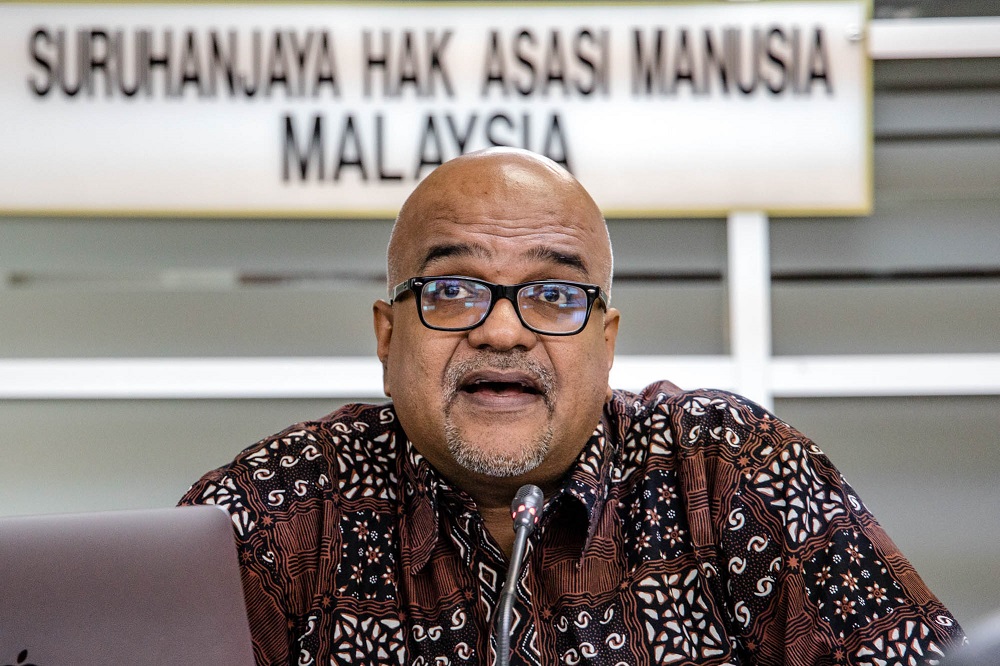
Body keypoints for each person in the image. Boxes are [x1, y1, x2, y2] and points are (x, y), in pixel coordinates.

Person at [180, 148, 965, 665]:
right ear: (387, 337)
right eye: (451, 289)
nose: (500, 330)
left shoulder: (729, 469)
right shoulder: (262, 517)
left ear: (607, 340)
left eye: (554, 295)